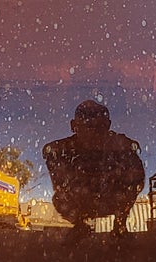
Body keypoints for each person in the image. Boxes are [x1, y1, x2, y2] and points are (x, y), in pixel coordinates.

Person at [42, 100, 145, 236]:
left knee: (133, 178)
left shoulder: (118, 143)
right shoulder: (66, 146)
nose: (92, 133)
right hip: (81, 200)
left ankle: (120, 225)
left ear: (107, 126)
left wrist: (118, 171)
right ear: (74, 126)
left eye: (98, 127)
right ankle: (80, 226)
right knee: (59, 198)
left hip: (111, 196)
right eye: (86, 126)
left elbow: (137, 176)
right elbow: (49, 150)